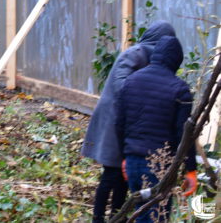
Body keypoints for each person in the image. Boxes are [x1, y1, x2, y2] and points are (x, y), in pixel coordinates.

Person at [82, 21, 176, 223]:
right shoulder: (135, 53)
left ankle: (118, 214)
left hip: (130, 122)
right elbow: (120, 85)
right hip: (113, 119)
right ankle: (98, 218)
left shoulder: (153, 58)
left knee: (124, 175)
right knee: (111, 173)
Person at [115, 35, 197, 223]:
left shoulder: (131, 82)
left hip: (133, 163)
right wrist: (190, 169)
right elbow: (184, 134)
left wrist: (125, 158)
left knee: (142, 213)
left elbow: (120, 123)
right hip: (158, 167)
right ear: (177, 61)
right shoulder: (180, 90)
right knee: (154, 217)